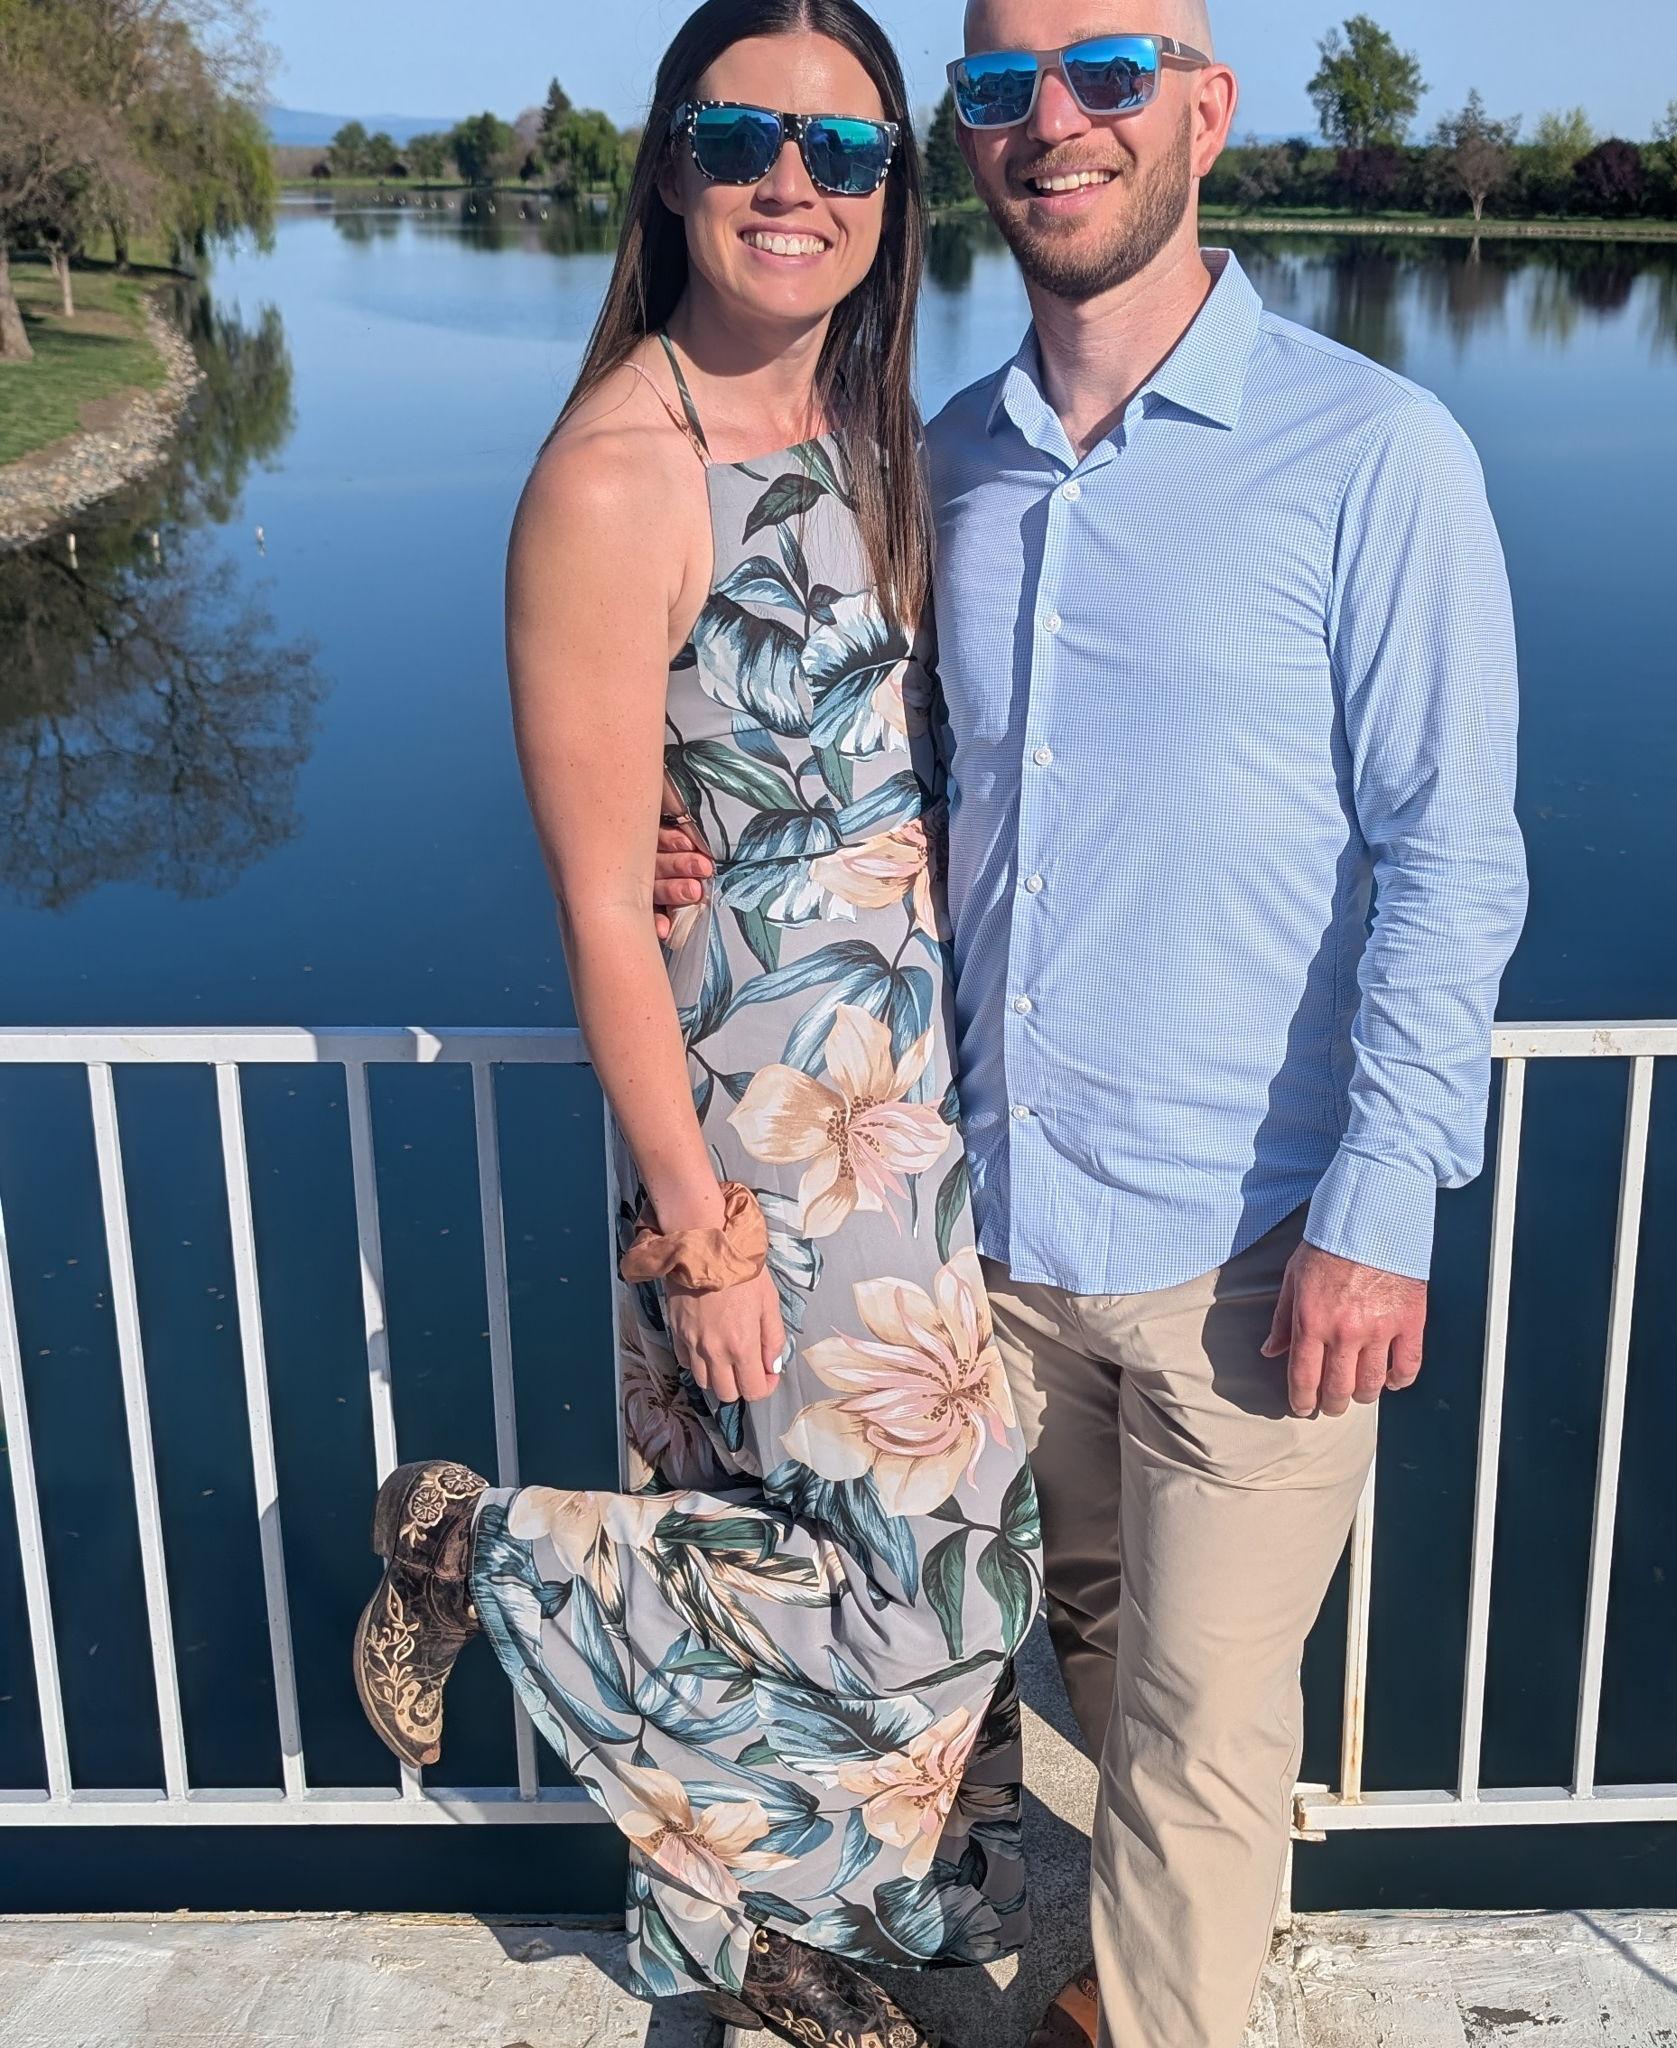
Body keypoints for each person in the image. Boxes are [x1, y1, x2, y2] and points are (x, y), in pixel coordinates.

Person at [659, 4, 1529, 2043]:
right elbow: (868, 772)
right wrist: (680, 832)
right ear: (967, 140)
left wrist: (1384, 1196)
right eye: (1000, 87)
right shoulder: (938, 461)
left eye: (1107, 73)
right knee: (1036, 1670)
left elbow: (1449, 852)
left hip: (1256, 1256)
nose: (1053, 122)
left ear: (1204, 113)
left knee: (1203, 1735)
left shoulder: (1373, 454)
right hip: (983, 1249)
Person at [349, 7, 1042, 2046]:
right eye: (745, 138)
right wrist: (699, 1224)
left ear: (894, 193)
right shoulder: (611, 477)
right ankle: (480, 1547)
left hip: (908, 1095)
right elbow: (597, 900)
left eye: (846, 151)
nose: (792, 184)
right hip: (757, 1122)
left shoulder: (873, 432)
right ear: (670, 166)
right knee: (912, 1572)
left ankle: (765, 1938)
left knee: (879, 1544)